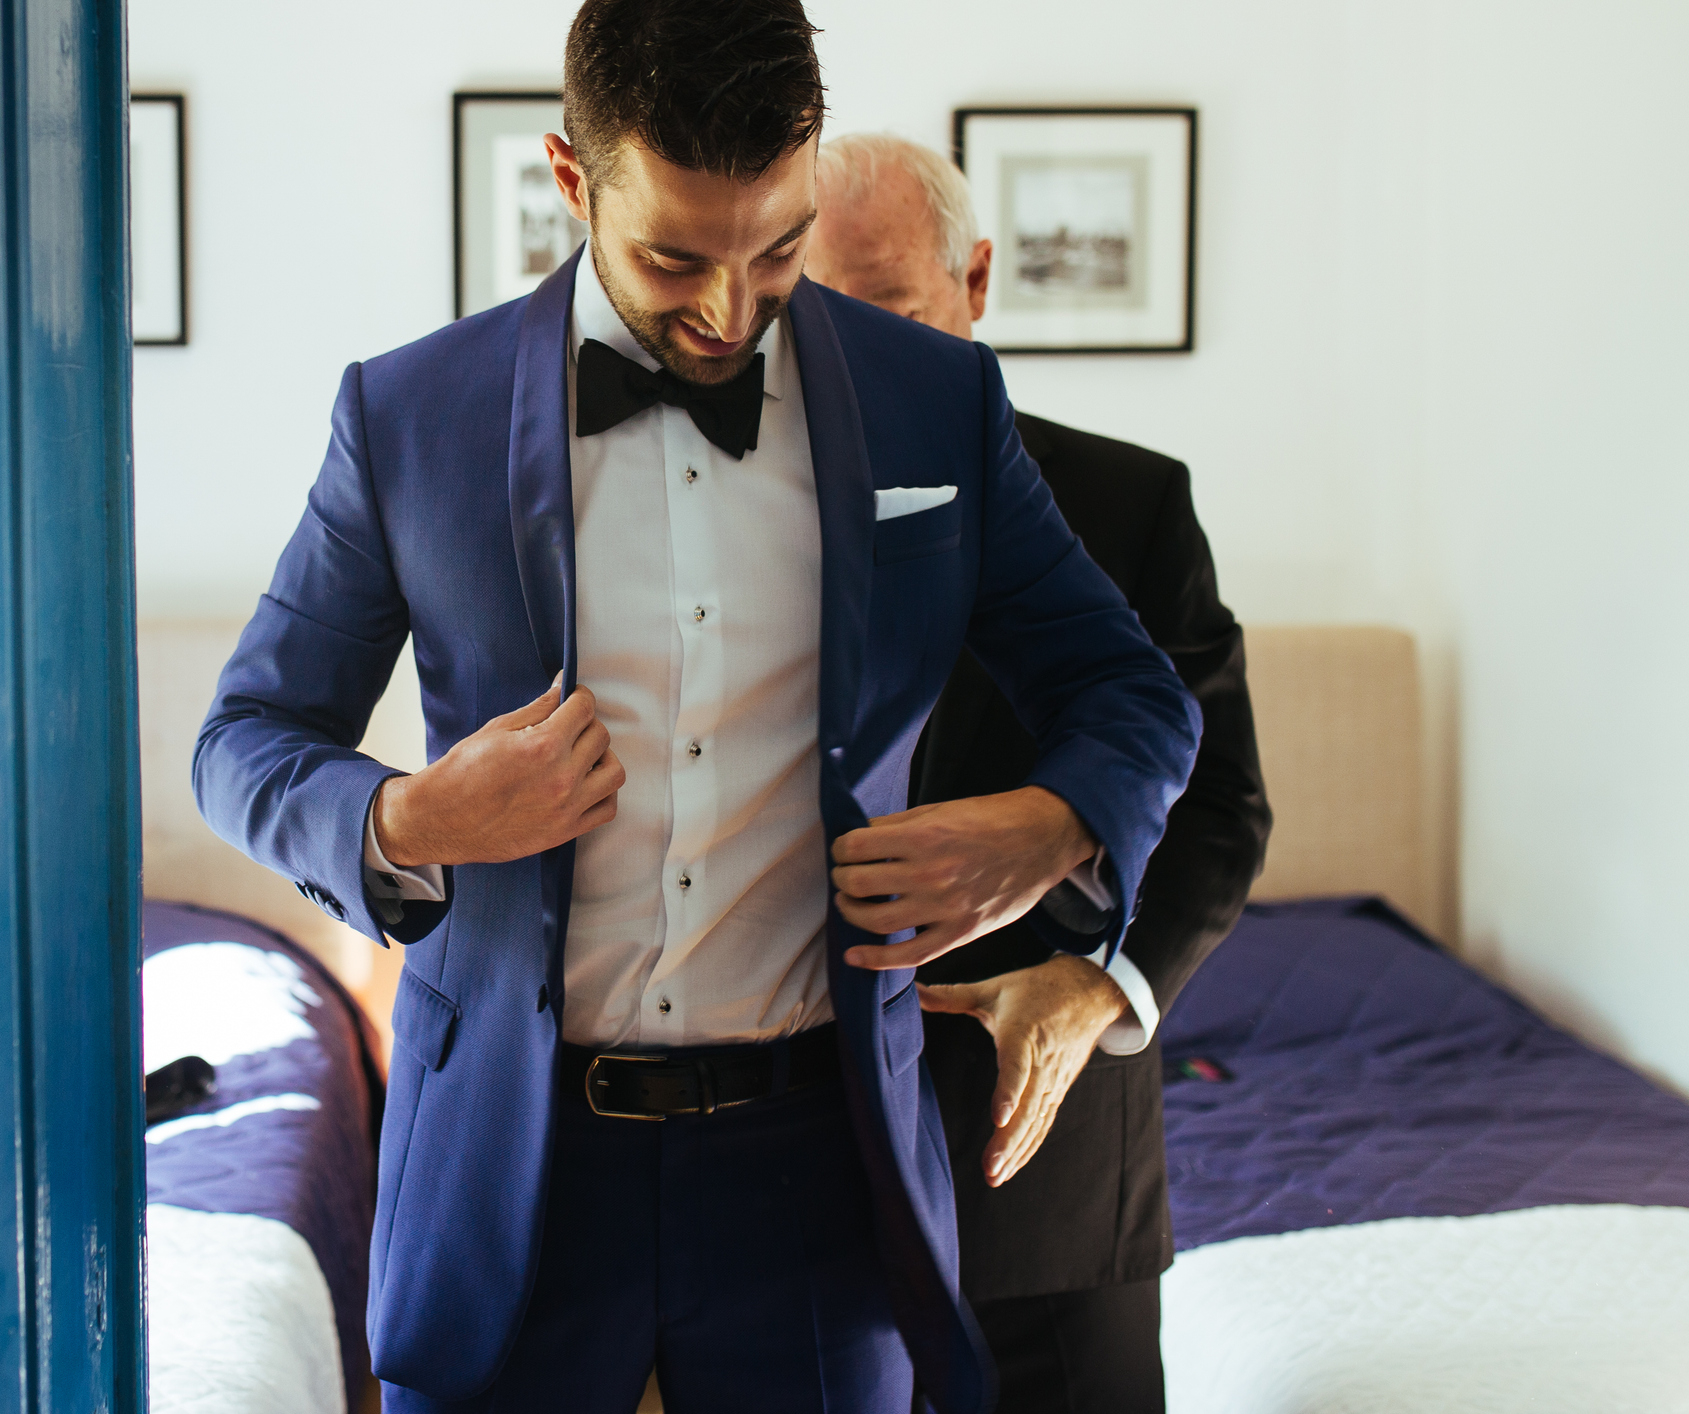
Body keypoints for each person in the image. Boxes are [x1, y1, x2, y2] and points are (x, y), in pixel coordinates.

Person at [193, 5, 1200, 1409]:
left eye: (777, 249)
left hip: (815, 1171)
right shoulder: (406, 415)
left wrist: (1048, 827)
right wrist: (409, 814)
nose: (729, 311)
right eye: (675, 255)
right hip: (513, 1166)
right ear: (570, 175)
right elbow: (239, 743)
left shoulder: (934, 402)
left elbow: (1131, 694)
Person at [803, 133, 1272, 1413]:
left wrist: (1097, 988)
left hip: (1048, 1158)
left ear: (977, 281)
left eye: (890, 310)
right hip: (787, 1155)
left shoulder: (1131, 506)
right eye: (817, 315)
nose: (853, 355)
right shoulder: (736, 517)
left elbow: (1222, 806)